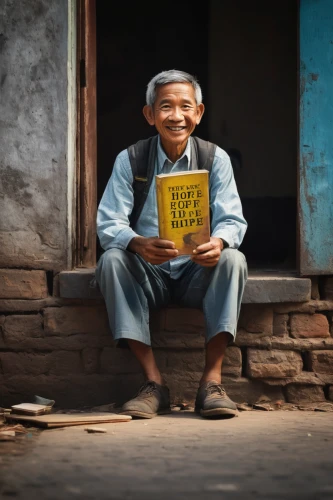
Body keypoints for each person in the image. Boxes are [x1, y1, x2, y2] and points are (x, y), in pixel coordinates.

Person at [96, 69, 248, 419]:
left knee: (234, 260)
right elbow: (108, 224)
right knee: (112, 260)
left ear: (199, 113)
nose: (176, 116)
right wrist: (137, 243)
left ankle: (211, 382)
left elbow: (233, 220)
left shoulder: (215, 159)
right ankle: (153, 384)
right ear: (150, 115)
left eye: (185, 106)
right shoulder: (130, 159)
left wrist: (219, 242)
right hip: (149, 272)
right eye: (166, 106)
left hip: (198, 270)